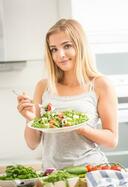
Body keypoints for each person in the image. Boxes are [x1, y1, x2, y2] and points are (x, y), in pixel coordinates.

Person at [17, 18, 118, 170]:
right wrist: (29, 118)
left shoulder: (100, 85)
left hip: (91, 172)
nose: (60, 55)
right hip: (53, 175)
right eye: (54, 49)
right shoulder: (43, 86)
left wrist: (81, 128)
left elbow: (112, 140)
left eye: (67, 46)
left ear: (80, 46)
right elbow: (32, 144)